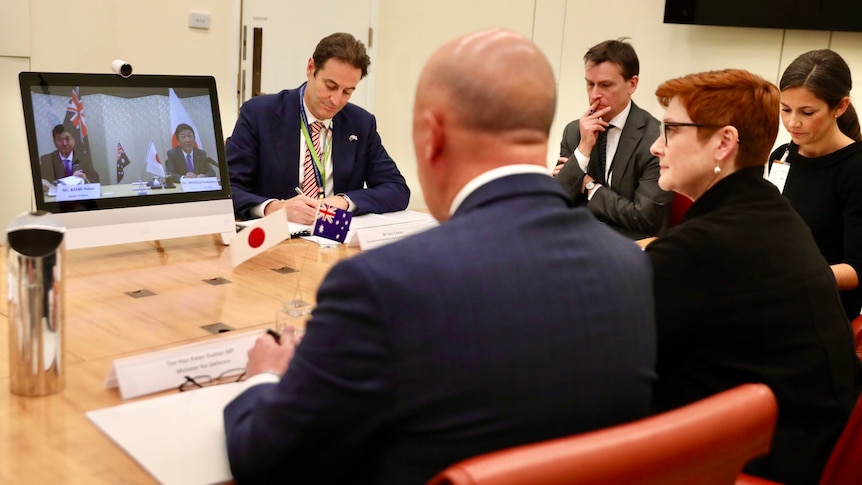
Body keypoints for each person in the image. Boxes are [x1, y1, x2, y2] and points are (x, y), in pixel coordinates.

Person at [224, 29, 657, 485]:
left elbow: (270, 457)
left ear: (432, 137)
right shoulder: (631, 267)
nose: (338, 99)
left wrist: (264, 379)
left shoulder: (381, 286)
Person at [645, 68, 861, 484]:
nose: (656, 146)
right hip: (808, 438)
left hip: (770, 460)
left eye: (670, 130)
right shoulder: (771, 214)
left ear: (724, 143)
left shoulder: (706, 245)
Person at [227, 32, 410, 223]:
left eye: (347, 91)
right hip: (277, 238)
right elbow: (229, 190)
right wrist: (276, 208)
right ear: (311, 68)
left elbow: (396, 188)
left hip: (333, 238)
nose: (336, 100)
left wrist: (344, 202)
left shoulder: (361, 123)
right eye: (330, 86)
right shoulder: (260, 114)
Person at [768, 49, 862, 320]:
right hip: (777, 293)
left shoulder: (855, 169)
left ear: (840, 107)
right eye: (785, 109)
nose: (792, 122)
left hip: (822, 308)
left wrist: (789, 278)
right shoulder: (782, 156)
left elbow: (857, 270)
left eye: (807, 112)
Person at [554, 38, 672, 239]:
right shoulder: (575, 132)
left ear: (632, 84)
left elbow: (644, 217)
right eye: (590, 84)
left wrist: (590, 187)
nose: (594, 95)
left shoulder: (656, 139)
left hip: (631, 246)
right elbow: (556, 203)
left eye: (606, 85)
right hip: (578, 240)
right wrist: (583, 150)